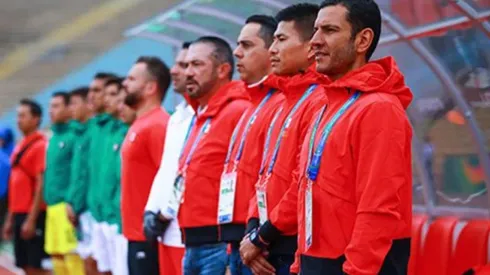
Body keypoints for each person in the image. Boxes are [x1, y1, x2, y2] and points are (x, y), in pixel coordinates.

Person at [295, 0, 413, 274]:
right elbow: (306, 187)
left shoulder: (379, 108)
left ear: (363, 40)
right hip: (317, 262)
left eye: (329, 30)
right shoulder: (326, 104)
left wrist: (357, 270)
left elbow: (379, 207)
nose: (314, 41)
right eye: (315, 30)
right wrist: (299, 262)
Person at [239, 4, 327, 275]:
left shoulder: (319, 100)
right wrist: (253, 229)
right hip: (265, 243)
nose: (272, 49)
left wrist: (261, 236)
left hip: (289, 244)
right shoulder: (281, 102)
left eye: (281, 39)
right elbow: (263, 175)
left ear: (310, 47)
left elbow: (301, 182)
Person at [158, 36, 250, 275]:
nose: (188, 72)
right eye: (186, 65)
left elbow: (247, 179)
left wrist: (233, 248)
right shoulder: (200, 114)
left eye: (197, 65)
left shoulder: (237, 110)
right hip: (192, 242)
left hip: (219, 245)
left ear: (223, 70)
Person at [219, 14, 284, 275]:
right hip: (240, 243)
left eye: (246, 46)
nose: (236, 53)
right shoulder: (252, 105)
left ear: (272, 51)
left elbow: (273, 179)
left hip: (260, 246)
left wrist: (258, 239)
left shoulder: (280, 104)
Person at [144, 42, 192, 275]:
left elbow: (187, 171)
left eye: (185, 65)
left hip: (183, 233)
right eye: (177, 64)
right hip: (166, 234)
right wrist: (151, 209)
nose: (174, 70)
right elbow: (166, 170)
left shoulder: (200, 118)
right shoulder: (177, 117)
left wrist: (166, 214)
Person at [121, 56, 171, 275]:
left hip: (149, 236)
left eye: (132, 79)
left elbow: (170, 177)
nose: (125, 83)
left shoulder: (158, 125)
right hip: (134, 233)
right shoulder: (140, 123)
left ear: (151, 87)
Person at [2, 99, 49, 275]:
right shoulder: (20, 145)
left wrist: (31, 218)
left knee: (36, 265)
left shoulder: (39, 145)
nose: (18, 120)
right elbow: (15, 187)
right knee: (24, 264)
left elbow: (40, 184)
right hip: (19, 212)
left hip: (32, 214)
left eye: (23, 115)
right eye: (17, 115)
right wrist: (10, 218)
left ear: (36, 119)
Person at [44, 92, 85, 275]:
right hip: (52, 207)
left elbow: (79, 172)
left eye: (57, 106)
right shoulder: (53, 138)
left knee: (72, 256)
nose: (51, 111)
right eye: (50, 106)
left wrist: (72, 201)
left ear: (69, 108)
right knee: (56, 256)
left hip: (66, 206)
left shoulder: (74, 136)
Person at [92, 77, 129, 275]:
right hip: (102, 213)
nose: (108, 99)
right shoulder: (106, 129)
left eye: (113, 95)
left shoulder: (127, 131)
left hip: (120, 219)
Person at [85, 72, 118, 275]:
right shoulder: (95, 127)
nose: (94, 96)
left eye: (98, 91)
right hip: (96, 211)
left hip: (115, 216)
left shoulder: (119, 128)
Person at [64, 87, 92, 263]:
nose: (70, 108)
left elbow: (88, 174)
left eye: (74, 103)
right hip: (79, 207)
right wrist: (71, 201)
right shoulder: (79, 134)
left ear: (87, 104)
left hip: (91, 208)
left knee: (93, 263)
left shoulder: (92, 133)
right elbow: (76, 174)